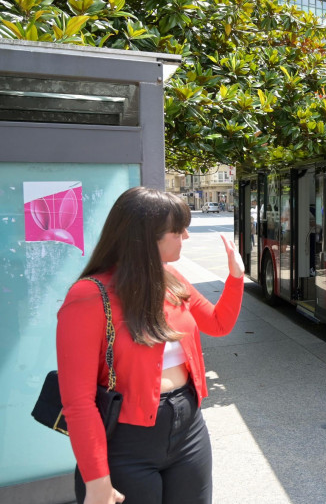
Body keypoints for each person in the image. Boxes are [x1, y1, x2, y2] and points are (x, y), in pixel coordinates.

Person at [57, 186, 245, 504]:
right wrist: (97, 481)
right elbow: (78, 401)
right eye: (177, 229)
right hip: (126, 440)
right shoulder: (89, 296)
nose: (186, 235)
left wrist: (236, 277)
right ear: (147, 237)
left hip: (188, 428)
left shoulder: (171, 278)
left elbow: (218, 324)